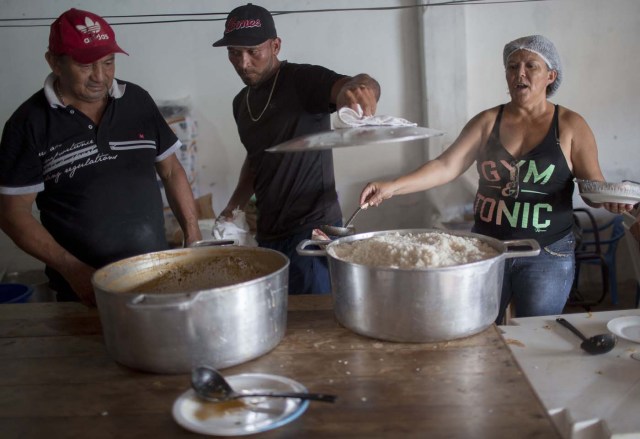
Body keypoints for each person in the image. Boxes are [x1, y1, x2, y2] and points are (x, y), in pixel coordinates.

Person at [360, 35, 634, 322]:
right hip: (488, 249)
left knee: (536, 335)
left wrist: (611, 200)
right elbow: (445, 166)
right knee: (479, 329)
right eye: (512, 66)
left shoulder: (570, 126)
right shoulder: (487, 122)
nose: (520, 73)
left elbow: (592, 188)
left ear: (550, 76)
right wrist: (391, 187)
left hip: (547, 254)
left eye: (531, 66)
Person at [0, 8, 202, 306]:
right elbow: (12, 213)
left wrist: (194, 236)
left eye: (108, 63)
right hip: (80, 290)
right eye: (85, 65)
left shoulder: (137, 101)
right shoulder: (29, 123)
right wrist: (73, 269)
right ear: (54, 62)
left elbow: (170, 170)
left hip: (154, 277)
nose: (100, 76)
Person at [213, 3, 380, 295]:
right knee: (278, 316)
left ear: (275, 45)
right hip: (268, 232)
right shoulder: (240, 103)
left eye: (253, 52)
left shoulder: (302, 80)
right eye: (234, 53)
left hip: (312, 228)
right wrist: (234, 204)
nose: (243, 62)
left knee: (316, 320)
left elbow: (348, 85)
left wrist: (362, 87)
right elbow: (256, 159)